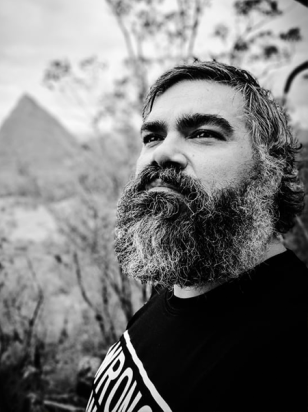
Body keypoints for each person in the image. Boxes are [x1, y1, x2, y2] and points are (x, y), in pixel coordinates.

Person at [86, 61, 308, 412]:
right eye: (152, 137)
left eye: (204, 133)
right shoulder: (176, 287)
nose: (162, 153)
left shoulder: (294, 341)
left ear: (272, 168)